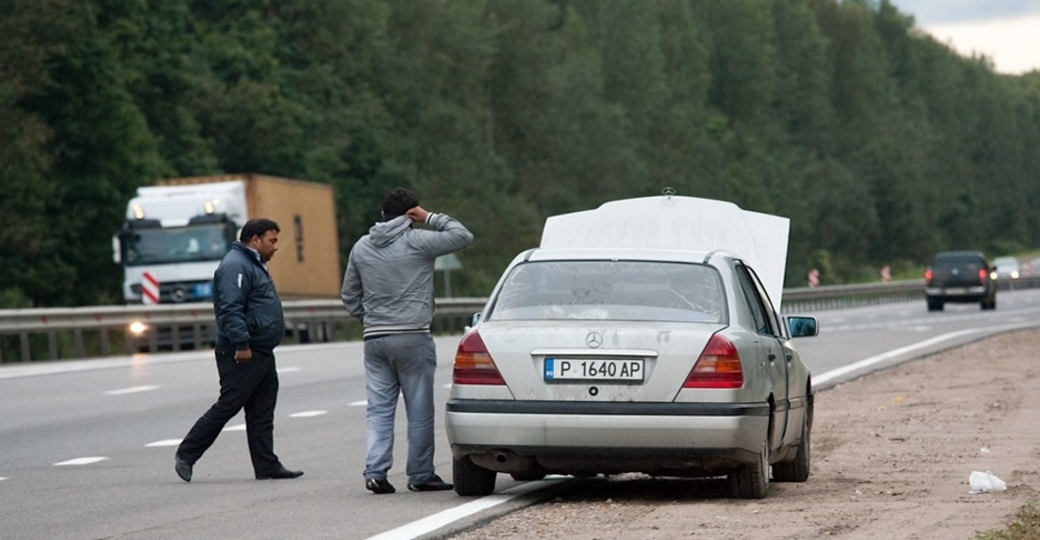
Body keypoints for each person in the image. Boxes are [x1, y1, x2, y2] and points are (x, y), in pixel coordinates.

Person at [341, 187, 473, 494]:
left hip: (375, 339)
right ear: (411, 215)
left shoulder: (361, 247)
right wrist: (430, 217)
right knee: (419, 409)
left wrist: (370, 319)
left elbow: (349, 295)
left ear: (383, 215)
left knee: (379, 410)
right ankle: (420, 474)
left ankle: (375, 472)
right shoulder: (419, 241)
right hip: (412, 336)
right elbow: (463, 235)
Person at [174, 218, 303, 482]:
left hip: (262, 351)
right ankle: (186, 454)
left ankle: (267, 465)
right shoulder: (236, 266)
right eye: (272, 241)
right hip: (243, 352)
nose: (276, 247)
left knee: (262, 412)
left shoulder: (253, 264)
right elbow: (230, 308)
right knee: (229, 405)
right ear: (255, 240)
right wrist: (242, 344)